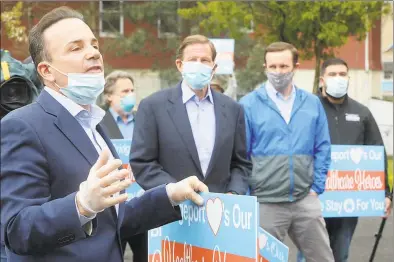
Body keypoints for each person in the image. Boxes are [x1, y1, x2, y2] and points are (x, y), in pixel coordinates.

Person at [1, 7, 209, 262]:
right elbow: (16, 231)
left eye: (94, 44)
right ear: (46, 71)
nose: (93, 53)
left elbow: (113, 219)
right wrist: (80, 206)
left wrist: (169, 194)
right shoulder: (21, 126)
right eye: (76, 48)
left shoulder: (93, 124)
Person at [239, 42, 335, 261]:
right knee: (261, 259)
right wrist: (247, 196)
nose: (278, 72)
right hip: (265, 201)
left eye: (283, 66)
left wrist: (317, 187)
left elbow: (322, 146)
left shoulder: (312, 103)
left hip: (304, 199)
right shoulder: (248, 104)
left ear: (296, 67)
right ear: (264, 67)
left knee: (322, 258)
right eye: (272, 66)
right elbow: (241, 154)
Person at [297, 58, 393, 262]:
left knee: (340, 255)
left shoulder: (362, 113)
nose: (338, 79)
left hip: (346, 202)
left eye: (342, 74)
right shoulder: (307, 110)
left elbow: (376, 152)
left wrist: (385, 194)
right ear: (322, 80)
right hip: (312, 199)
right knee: (309, 256)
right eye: (332, 74)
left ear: (349, 78)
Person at [130, 34, 252, 195]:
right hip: (172, 211)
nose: (198, 65)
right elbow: (142, 163)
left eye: (204, 60)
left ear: (214, 68)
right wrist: (176, 191)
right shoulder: (153, 107)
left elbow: (241, 164)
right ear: (180, 65)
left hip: (219, 210)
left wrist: (234, 193)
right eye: (193, 59)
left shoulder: (233, 109)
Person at [100, 70, 146, 261]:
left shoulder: (144, 120)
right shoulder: (98, 122)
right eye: (124, 92)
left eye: (132, 90)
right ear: (109, 96)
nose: (130, 96)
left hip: (141, 202)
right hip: (113, 207)